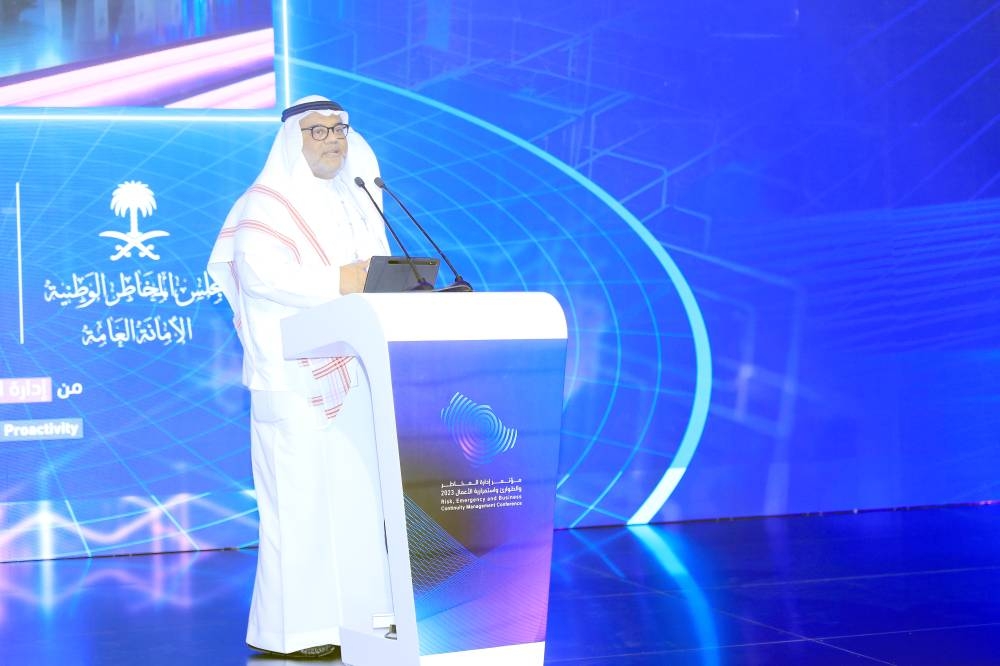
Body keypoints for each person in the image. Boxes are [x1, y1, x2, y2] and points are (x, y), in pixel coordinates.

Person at [207, 96, 394, 659]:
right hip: (291, 378)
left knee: (356, 503)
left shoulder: (357, 197)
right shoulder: (265, 203)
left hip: (357, 371)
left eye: (339, 129)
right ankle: (296, 634)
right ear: (294, 139)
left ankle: (360, 621)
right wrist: (341, 280)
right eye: (318, 131)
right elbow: (261, 275)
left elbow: (374, 274)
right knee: (299, 505)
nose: (333, 139)